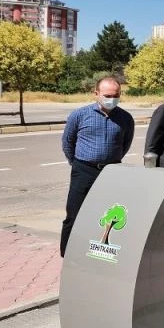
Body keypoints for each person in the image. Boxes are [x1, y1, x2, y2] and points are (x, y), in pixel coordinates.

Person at [60, 76, 134, 257]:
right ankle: (68, 254)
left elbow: (125, 144)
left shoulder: (125, 118)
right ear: (96, 94)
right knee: (74, 214)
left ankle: (101, 253)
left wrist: (112, 160)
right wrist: (76, 163)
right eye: (107, 95)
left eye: (116, 95)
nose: (112, 99)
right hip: (84, 170)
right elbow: (68, 142)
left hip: (112, 172)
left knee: (108, 216)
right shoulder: (79, 115)